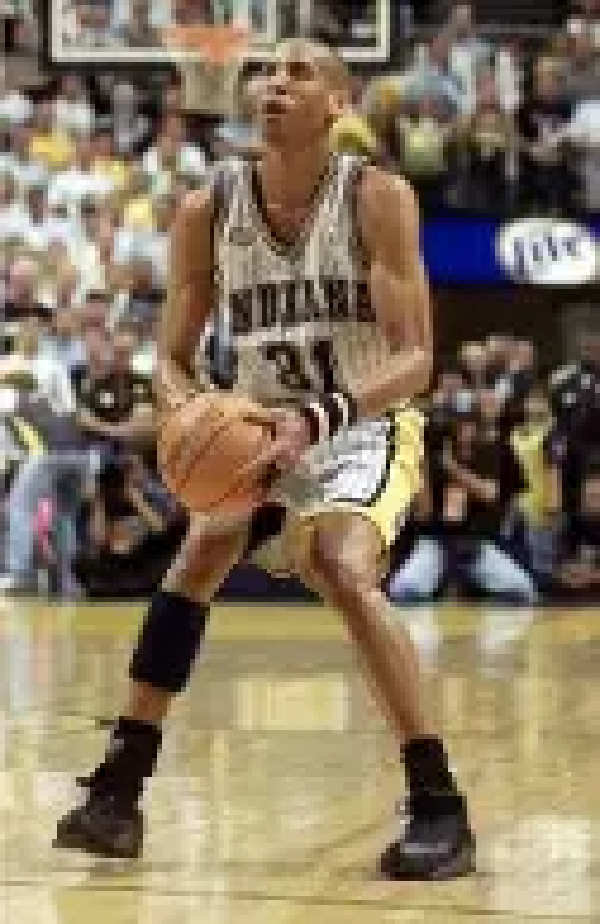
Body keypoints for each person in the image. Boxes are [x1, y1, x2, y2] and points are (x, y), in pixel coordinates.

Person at [54, 38, 474, 880]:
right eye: (265, 72)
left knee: (341, 566)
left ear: (339, 105)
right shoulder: (207, 210)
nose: (276, 83)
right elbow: (170, 359)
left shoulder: (378, 198)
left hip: (357, 424)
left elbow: (415, 360)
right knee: (198, 553)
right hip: (255, 432)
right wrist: (191, 410)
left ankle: (439, 808)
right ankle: (117, 792)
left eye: (300, 73)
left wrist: (314, 418)